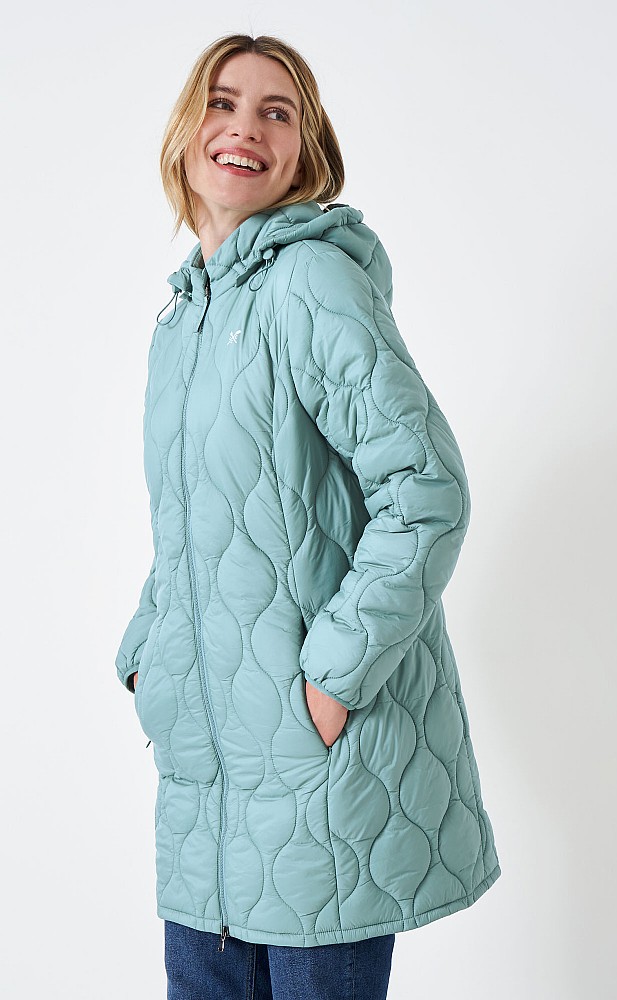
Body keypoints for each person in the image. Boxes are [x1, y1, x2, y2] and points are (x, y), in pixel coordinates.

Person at [115, 32, 501, 1000]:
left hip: (313, 771)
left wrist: (329, 682)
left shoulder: (310, 283)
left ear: (305, 154)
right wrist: (146, 655)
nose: (244, 126)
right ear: (185, 132)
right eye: (223, 102)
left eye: (276, 111)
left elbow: (424, 491)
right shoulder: (184, 321)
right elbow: (195, 528)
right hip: (206, 780)